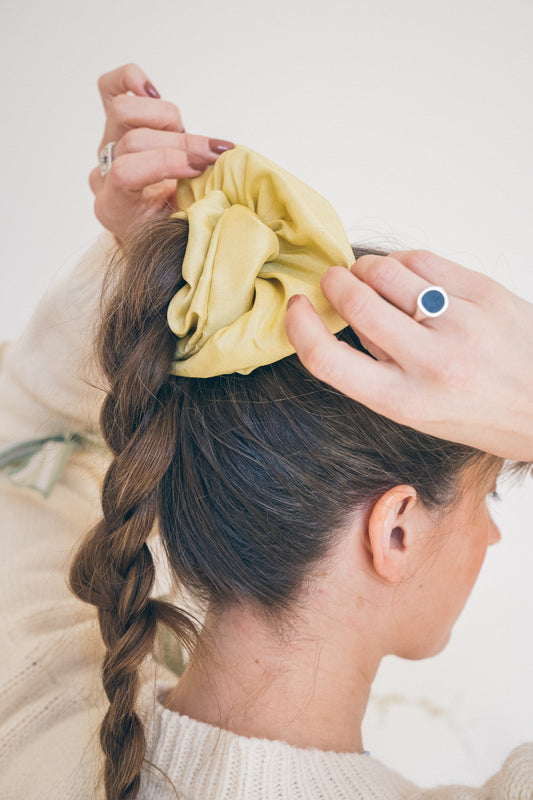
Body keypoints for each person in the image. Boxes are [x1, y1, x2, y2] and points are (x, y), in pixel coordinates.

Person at [0, 63, 532, 800]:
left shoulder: (29, 700)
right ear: (395, 529)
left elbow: (19, 431)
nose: (492, 536)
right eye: (487, 500)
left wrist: (152, 270)